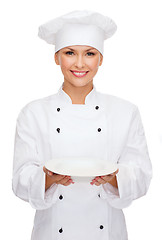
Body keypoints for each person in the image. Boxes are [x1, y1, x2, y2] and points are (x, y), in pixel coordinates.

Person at [12, 10, 152, 240]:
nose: (79, 63)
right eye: (69, 53)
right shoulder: (33, 113)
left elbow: (142, 177)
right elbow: (19, 181)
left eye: (89, 53)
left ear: (101, 59)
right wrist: (48, 178)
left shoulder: (126, 112)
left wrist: (114, 178)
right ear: (56, 57)